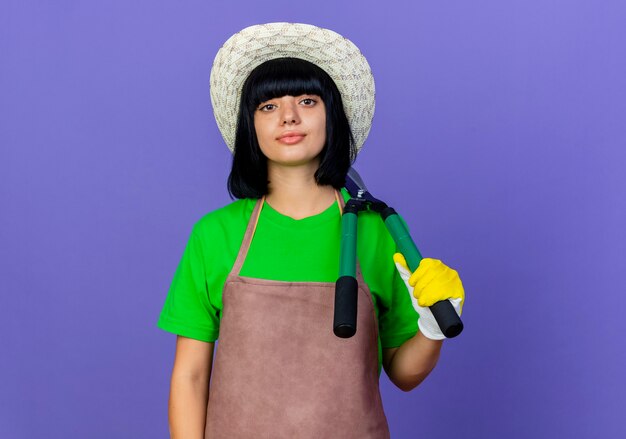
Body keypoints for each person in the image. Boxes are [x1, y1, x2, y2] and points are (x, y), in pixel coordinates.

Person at [158, 23, 465, 438]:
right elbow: (190, 377)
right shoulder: (215, 235)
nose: (288, 116)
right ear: (249, 125)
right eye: (268, 106)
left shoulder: (374, 231)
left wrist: (432, 327)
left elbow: (404, 374)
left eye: (307, 100)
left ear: (332, 115)